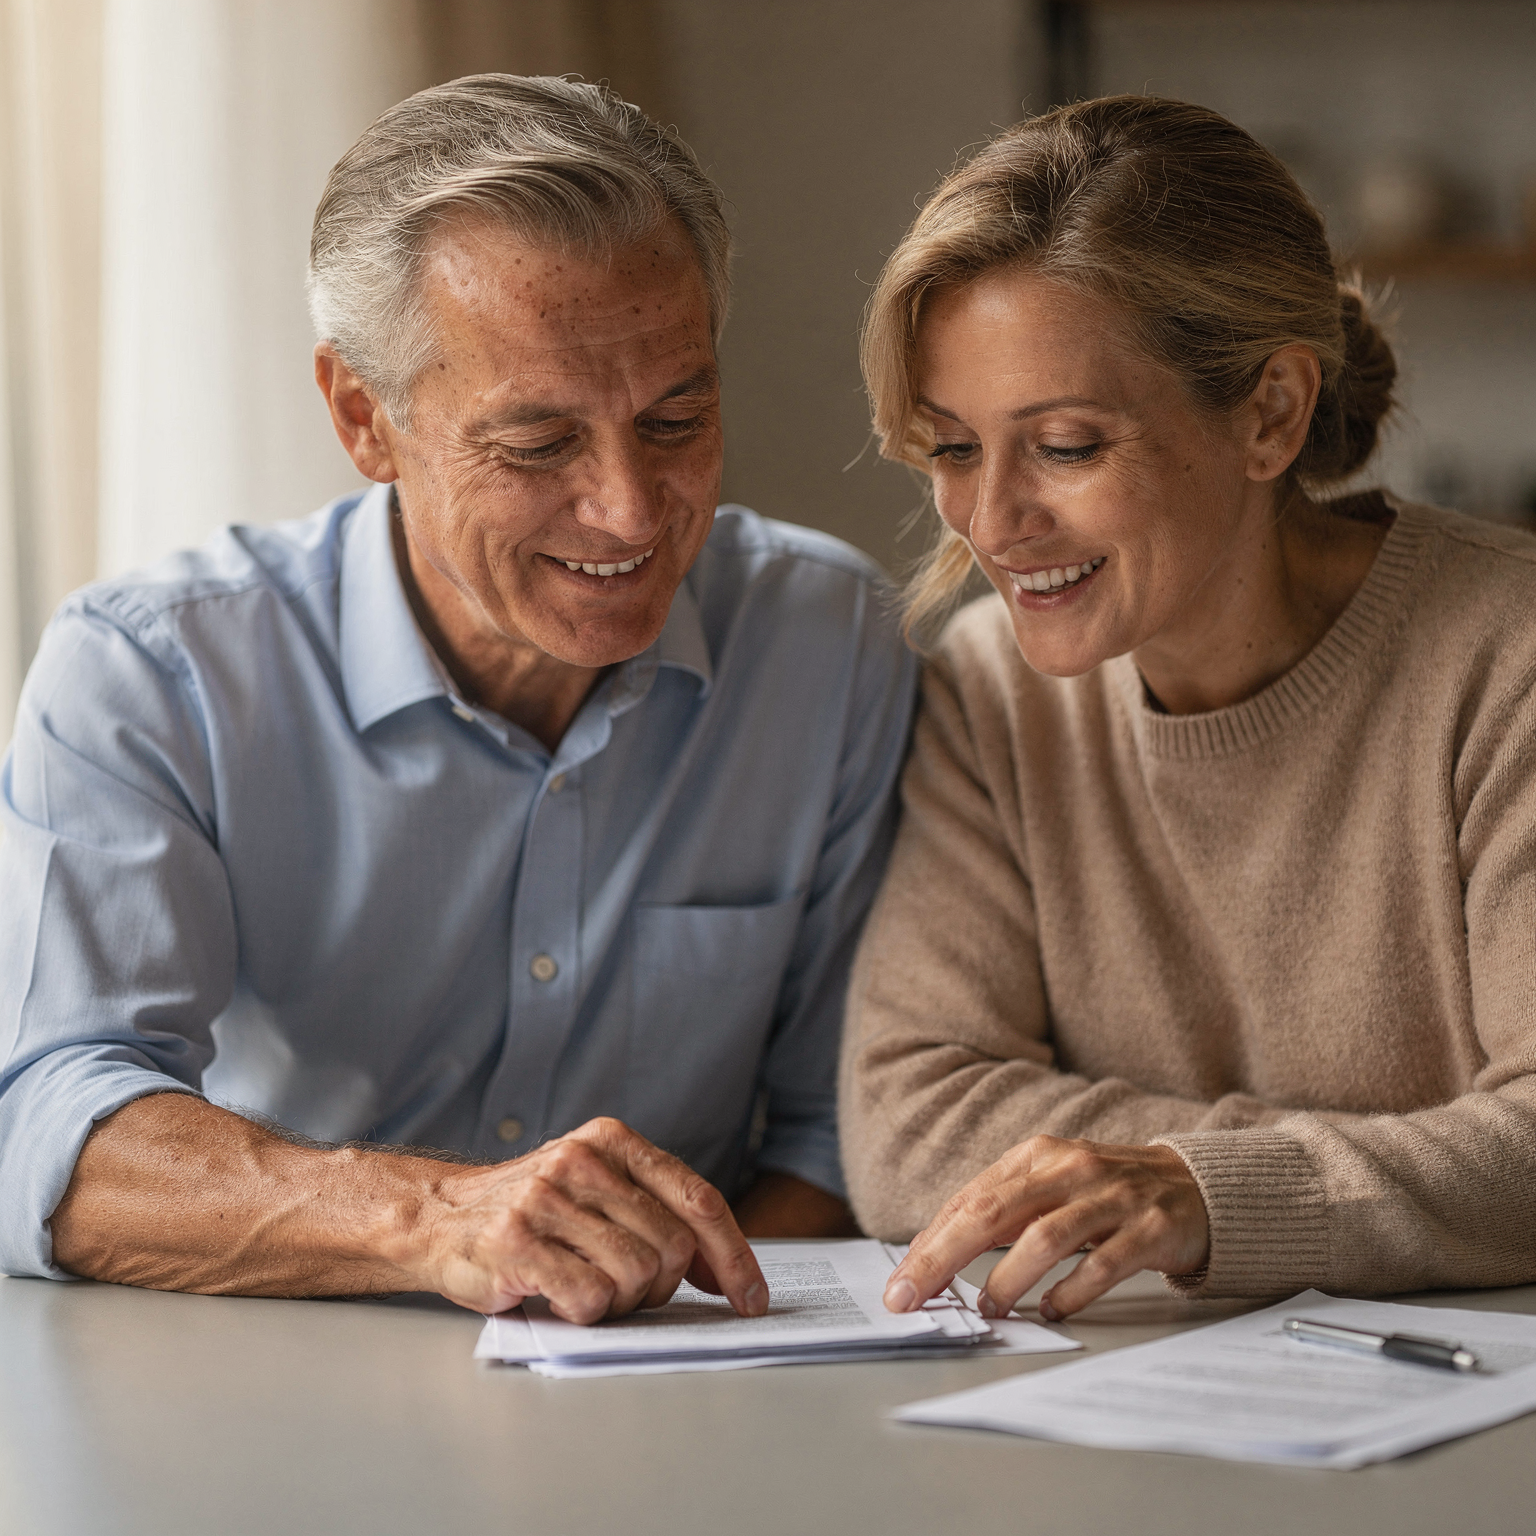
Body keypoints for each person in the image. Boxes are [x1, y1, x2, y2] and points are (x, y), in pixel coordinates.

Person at [0, 75, 915, 1323]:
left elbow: (835, 1140)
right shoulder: (152, 673)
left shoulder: (834, 643)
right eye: (538, 444)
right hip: (274, 1377)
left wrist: (644, 1337)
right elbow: (47, 1129)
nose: (632, 511)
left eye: (677, 416)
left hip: (668, 1385)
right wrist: (435, 1222)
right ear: (363, 417)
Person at [839, 95, 1536, 1325]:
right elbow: (908, 1123)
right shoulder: (991, 692)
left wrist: (1209, 1191)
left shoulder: (1506, 661)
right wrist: (1409, 1169)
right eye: (953, 449)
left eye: (1062, 445)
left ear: (1269, 413)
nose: (992, 522)